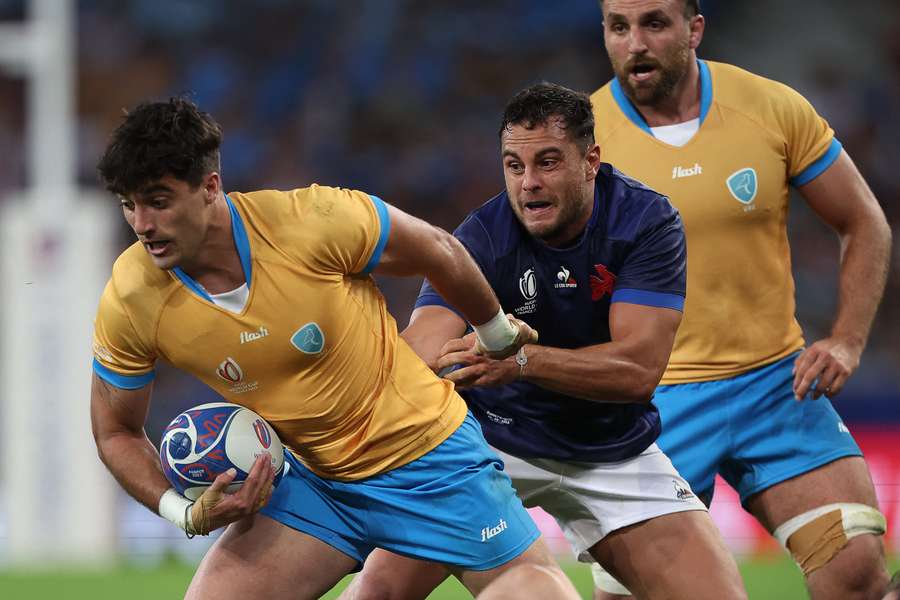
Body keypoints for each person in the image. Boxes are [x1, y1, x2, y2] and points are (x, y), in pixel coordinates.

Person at [88, 97, 569, 600]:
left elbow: (439, 249)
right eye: (128, 204)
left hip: (429, 460)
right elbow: (115, 430)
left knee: (533, 592)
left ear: (210, 187)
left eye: (158, 201)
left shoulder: (310, 222)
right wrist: (183, 511)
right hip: (315, 483)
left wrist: (495, 333)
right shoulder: (132, 296)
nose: (141, 224)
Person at [341, 83, 747, 599]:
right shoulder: (482, 236)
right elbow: (424, 342)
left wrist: (521, 362)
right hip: (490, 445)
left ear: (590, 160)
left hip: (612, 453)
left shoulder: (645, 222)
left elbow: (637, 371)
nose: (528, 184)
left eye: (548, 163)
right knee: (376, 593)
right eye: (514, 166)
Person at [588, 1, 893, 599]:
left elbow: (863, 221)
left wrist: (848, 338)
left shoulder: (770, 108)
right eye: (618, 27)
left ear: (694, 28)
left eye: (655, 23)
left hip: (776, 388)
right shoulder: (582, 137)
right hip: (650, 406)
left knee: (856, 571)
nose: (635, 43)